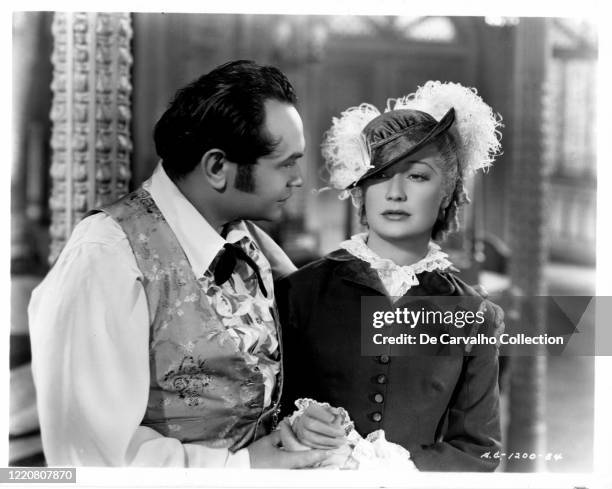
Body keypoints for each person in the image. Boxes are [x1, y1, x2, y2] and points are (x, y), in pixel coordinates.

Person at [28, 60, 342, 468]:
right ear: (216, 167)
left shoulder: (249, 241)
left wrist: (296, 424)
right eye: (285, 163)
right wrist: (244, 469)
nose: (298, 179)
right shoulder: (106, 256)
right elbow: (90, 458)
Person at [278, 81, 504, 471]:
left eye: (417, 176)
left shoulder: (474, 314)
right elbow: (256, 416)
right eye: (380, 175)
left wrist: (388, 470)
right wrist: (294, 424)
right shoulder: (298, 292)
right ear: (360, 190)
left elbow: (478, 450)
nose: (395, 192)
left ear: (448, 191)